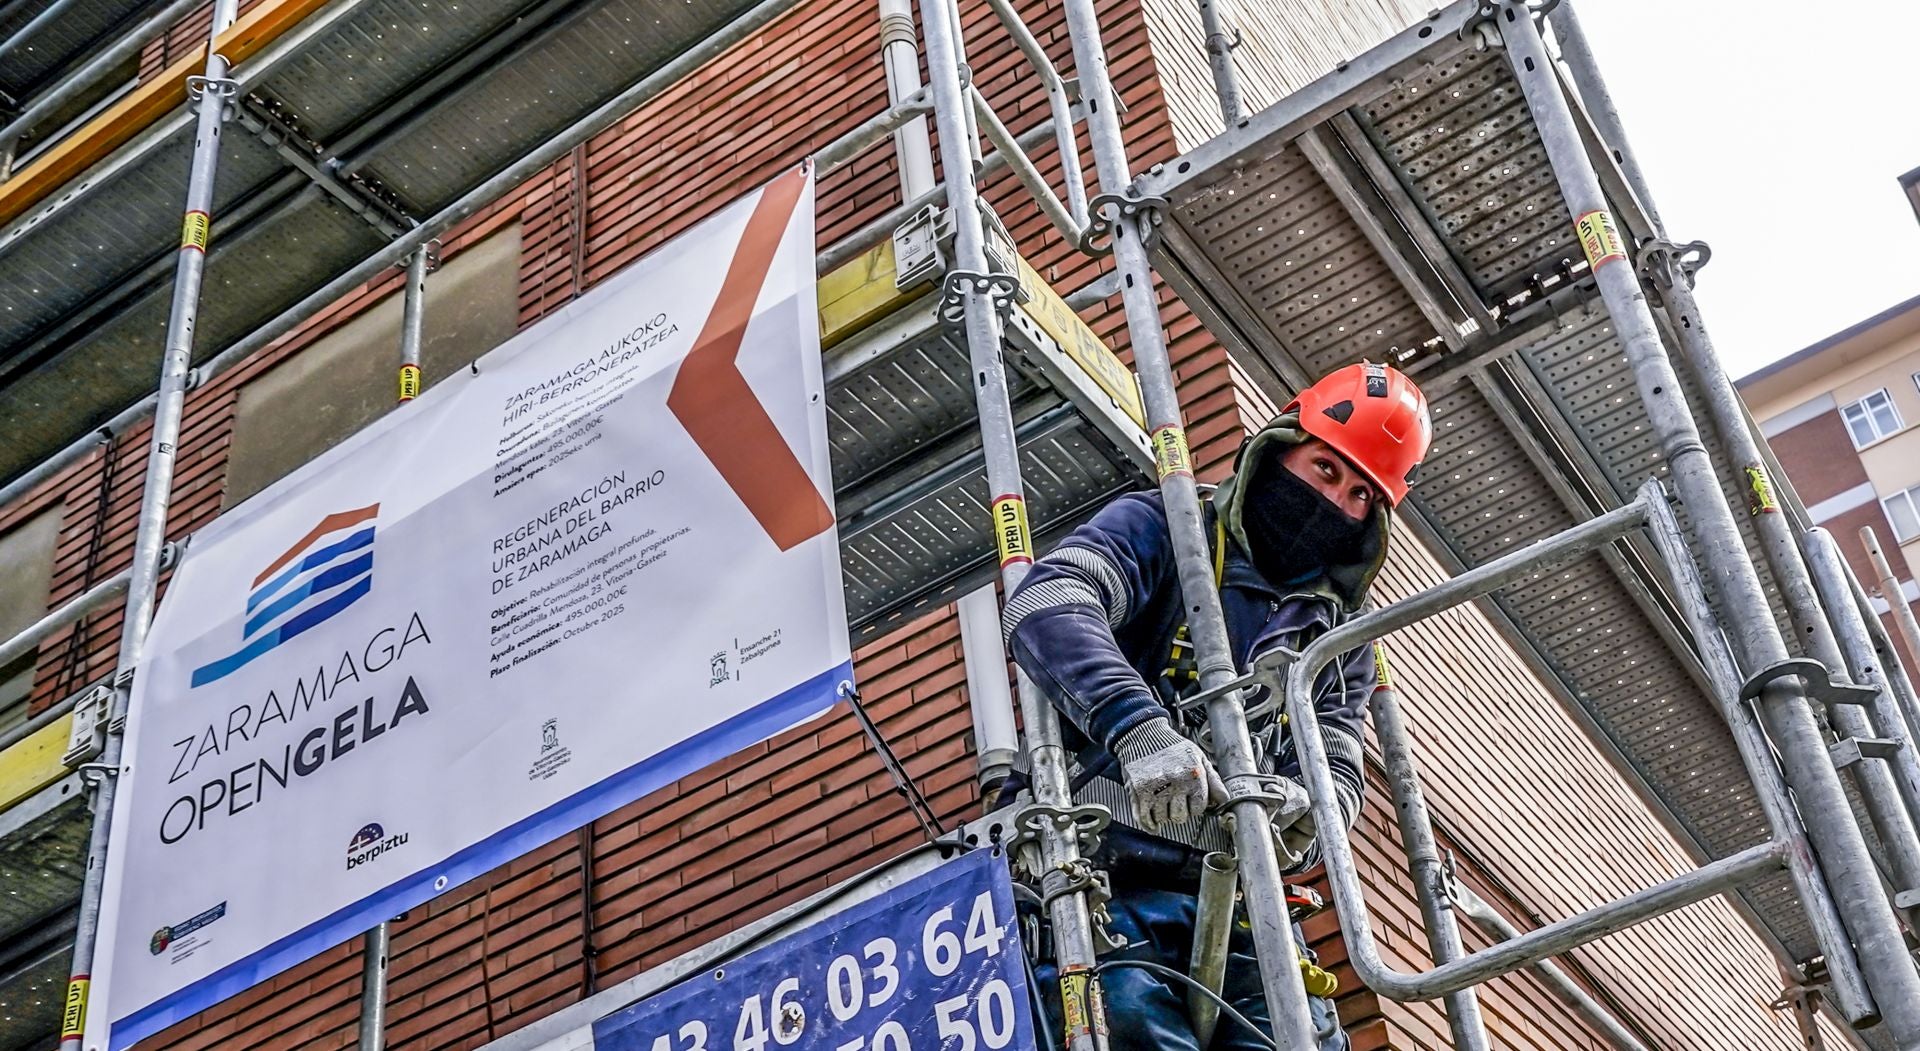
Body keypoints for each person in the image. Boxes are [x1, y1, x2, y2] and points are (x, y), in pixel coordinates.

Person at [1001, 362, 1433, 1051]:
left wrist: (1308, 808)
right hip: (1107, 880)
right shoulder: (1166, 527)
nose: (1336, 501)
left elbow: (1341, 765)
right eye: (1325, 469)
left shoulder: (1336, 634)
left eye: (1359, 494)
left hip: (1242, 908)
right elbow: (1046, 604)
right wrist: (1138, 730)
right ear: (1279, 447)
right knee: (1132, 1027)